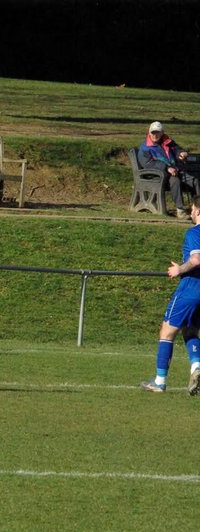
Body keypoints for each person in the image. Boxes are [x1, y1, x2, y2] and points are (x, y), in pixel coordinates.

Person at [140, 195, 200, 394]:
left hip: (190, 289)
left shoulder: (194, 233)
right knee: (190, 331)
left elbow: (197, 259)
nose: (191, 212)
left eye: (192, 209)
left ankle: (159, 381)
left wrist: (179, 270)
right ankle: (196, 367)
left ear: (197, 210)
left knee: (166, 333)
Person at [138, 121, 198, 219]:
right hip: (158, 175)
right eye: (153, 132)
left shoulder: (168, 141)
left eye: (157, 132)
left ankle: (197, 208)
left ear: (162, 133)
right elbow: (148, 164)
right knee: (175, 180)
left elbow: (176, 148)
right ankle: (180, 210)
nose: (155, 135)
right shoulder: (145, 147)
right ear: (149, 133)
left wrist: (181, 153)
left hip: (175, 171)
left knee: (195, 180)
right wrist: (166, 168)